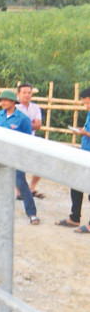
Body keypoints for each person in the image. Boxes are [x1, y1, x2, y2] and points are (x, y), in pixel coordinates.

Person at [0, 88, 39, 224]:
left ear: (13, 102)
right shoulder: (0, 115)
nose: (2, 103)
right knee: (0, 181)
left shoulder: (23, 119)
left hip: (17, 154)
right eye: (1, 100)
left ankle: (32, 213)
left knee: (20, 182)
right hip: (2, 153)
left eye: (5, 100)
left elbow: (27, 138)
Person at [56, 88, 90, 233]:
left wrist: (85, 133)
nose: (86, 107)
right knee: (75, 183)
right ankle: (74, 217)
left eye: (88, 103)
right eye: (84, 104)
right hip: (84, 155)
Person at [15, 83, 46, 197]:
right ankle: (19, 192)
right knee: (19, 167)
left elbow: (38, 125)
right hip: (17, 140)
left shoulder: (35, 107)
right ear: (18, 94)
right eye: (24, 92)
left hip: (31, 140)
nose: (27, 95)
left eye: (29, 93)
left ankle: (31, 188)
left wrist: (24, 125)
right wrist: (29, 124)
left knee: (40, 162)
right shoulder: (15, 107)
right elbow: (14, 124)